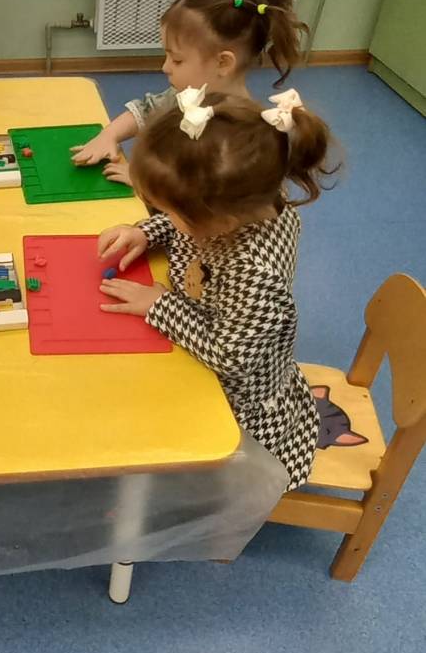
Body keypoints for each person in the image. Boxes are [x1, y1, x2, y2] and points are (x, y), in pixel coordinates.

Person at [97, 85, 336, 489]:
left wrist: (160, 306)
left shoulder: (255, 274)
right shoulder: (243, 201)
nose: (167, 218)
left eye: (171, 211)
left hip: (236, 406)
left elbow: (229, 356)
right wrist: (147, 233)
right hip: (205, 331)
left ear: (219, 220)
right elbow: (188, 228)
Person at [72, 0, 308, 185]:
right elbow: (144, 111)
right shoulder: (184, 96)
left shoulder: (243, 132)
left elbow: (203, 194)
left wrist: (147, 182)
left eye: (177, 60)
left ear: (223, 63)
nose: (164, 67)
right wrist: (109, 135)